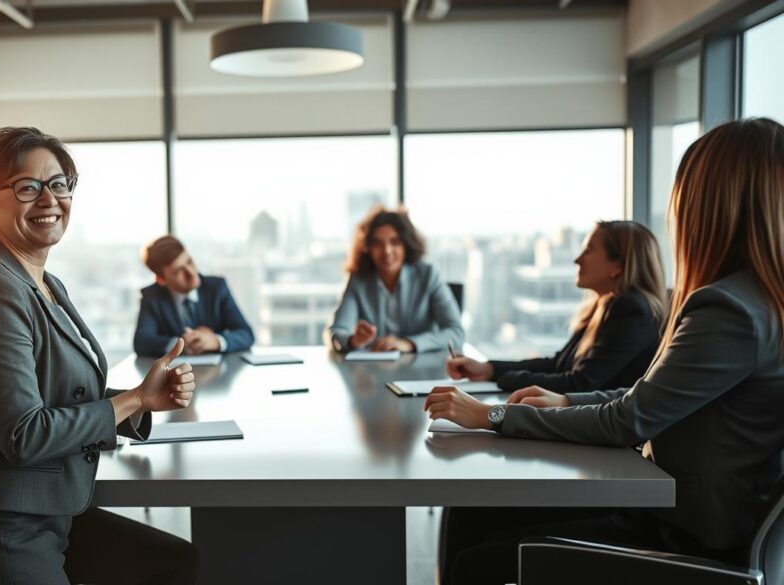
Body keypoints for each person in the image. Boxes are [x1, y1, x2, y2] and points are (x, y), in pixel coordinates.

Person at [427, 118, 784, 585]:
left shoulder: (729, 310)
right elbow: (645, 396)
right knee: (471, 514)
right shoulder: (757, 301)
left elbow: (629, 420)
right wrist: (566, 400)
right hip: (676, 515)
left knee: (475, 558)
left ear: (710, 205)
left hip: (685, 538)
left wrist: (489, 417)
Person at [0, 127, 198, 585]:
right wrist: (131, 401)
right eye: (27, 187)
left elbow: (58, 393)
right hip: (3, 535)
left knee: (176, 562)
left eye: (58, 184)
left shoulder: (44, 283)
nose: (49, 199)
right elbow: (25, 434)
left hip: (53, 514)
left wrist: (143, 399)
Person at [447, 220, 666, 394]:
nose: (577, 260)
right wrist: (489, 369)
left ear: (617, 267)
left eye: (588, 251)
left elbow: (580, 383)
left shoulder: (631, 310)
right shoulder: (602, 307)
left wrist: (504, 380)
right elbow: (559, 364)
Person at [327, 206, 464, 353]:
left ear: (406, 245)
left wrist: (409, 344)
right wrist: (353, 340)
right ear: (367, 248)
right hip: (373, 371)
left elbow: (456, 332)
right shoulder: (358, 280)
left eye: (395, 242)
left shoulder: (428, 274)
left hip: (422, 370)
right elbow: (336, 332)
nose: (386, 251)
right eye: (378, 244)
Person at [133, 235, 254, 357]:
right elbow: (141, 342)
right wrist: (181, 344)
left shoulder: (216, 288)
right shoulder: (151, 296)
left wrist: (215, 341)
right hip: (174, 373)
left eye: (189, 261)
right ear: (161, 280)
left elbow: (246, 334)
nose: (191, 273)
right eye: (178, 271)